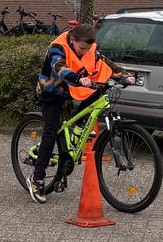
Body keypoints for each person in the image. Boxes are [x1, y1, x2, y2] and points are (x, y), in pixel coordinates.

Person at [27, 24, 134, 204]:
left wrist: (125, 75)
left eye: (87, 49)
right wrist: (78, 79)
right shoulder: (58, 48)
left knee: (99, 90)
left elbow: (105, 64)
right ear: (72, 39)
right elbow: (59, 67)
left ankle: (78, 126)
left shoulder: (89, 48)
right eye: (81, 48)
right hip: (52, 91)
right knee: (51, 132)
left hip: (74, 88)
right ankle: (37, 179)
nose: (84, 52)